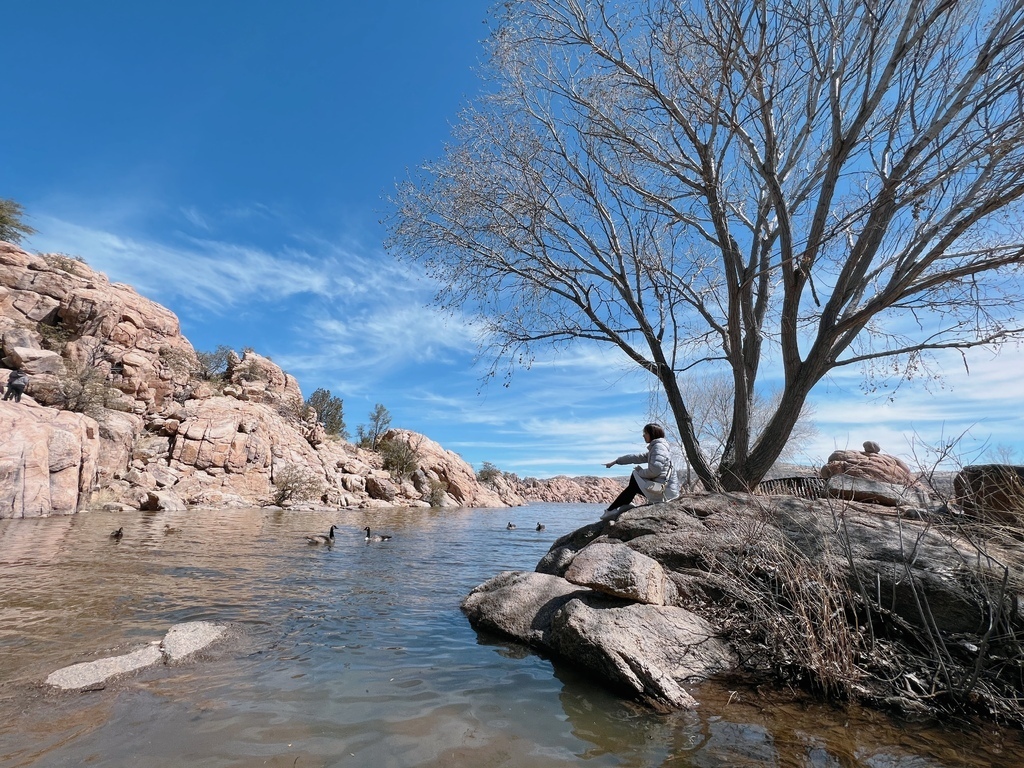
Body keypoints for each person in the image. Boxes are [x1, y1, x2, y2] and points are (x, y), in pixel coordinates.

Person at [602, 423, 679, 519]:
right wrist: (616, 461)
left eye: (645, 433)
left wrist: (640, 472)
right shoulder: (657, 448)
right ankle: (620, 506)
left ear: (652, 433)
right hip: (664, 491)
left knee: (635, 475)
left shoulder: (658, 448)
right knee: (633, 483)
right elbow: (636, 457)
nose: (643, 435)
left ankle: (613, 509)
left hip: (664, 494)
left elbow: (655, 471)